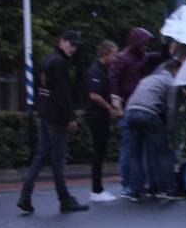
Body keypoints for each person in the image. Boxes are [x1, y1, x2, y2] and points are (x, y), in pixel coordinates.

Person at [17, 30, 89, 214]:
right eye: (71, 44)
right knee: (58, 159)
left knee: (42, 155)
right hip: (56, 117)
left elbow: (41, 88)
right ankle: (64, 199)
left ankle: (26, 194)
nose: (73, 48)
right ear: (62, 41)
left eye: (75, 45)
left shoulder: (47, 60)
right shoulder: (60, 63)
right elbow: (63, 93)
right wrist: (70, 117)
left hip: (44, 113)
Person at [109, 27, 166, 198]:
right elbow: (113, 81)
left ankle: (136, 186)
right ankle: (129, 185)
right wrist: (116, 103)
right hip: (129, 107)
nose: (146, 46)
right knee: (132, 149)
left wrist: (164, 44)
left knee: (134, 150)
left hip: (131, 107)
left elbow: (163, 56)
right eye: (144, 42)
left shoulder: (140, 57)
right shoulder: (126, 58)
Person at [123, 59, 180, 201]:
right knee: (163, 152)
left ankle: (135, 191)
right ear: (174, 71)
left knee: (134, 153)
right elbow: (171, 108)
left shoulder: (148, 78)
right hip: (148, 113)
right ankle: (169, 189)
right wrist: (169, 128)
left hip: (130, 111)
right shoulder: (171, 82)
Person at [85, 40, 122, 202]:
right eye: (114, 53)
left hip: (101, 116)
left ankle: (98, 189)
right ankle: (96, 190)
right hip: (97, 116)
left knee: (101, 152)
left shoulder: (103, 70)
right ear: (105, 53)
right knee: (98, 152)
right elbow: (94, 95)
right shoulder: (96, 70)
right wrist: (110, 108)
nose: (116, 57)